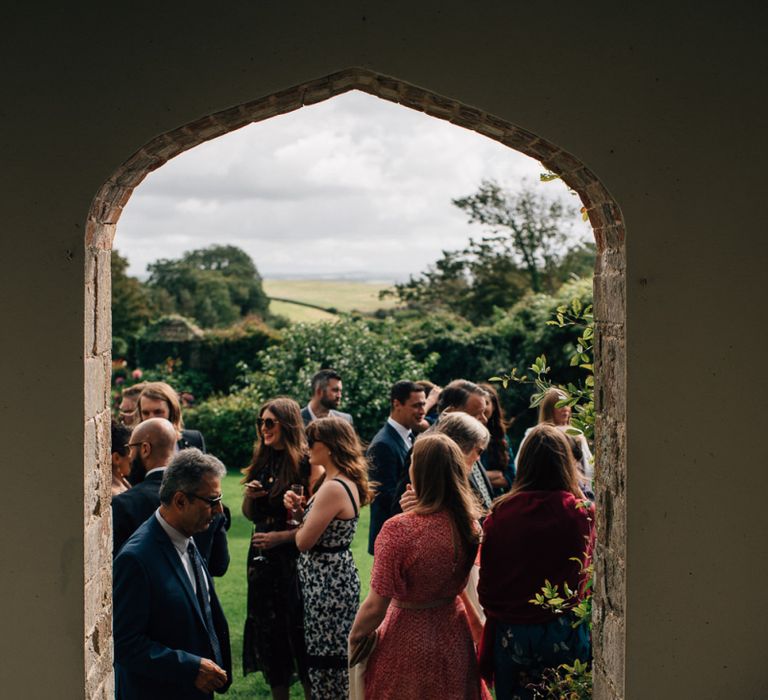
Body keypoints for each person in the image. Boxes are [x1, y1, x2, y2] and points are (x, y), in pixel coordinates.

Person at [349, 433, 490, 700]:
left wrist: (355, 635)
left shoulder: (398, 529)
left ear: (420, 470)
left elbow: (376, 604)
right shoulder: (468, 525)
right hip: (454, 634)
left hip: (406, 639)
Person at [478, 424, 594, 699]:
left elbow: (489, 581)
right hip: (564, 631)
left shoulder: (501, 514)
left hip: (513, 633)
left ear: (526, 464)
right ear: (566, 463)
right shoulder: (581, 513)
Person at [113, 448, 232, 700]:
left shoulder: (187, 536)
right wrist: (190, 667)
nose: (219, 510)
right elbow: (125, 644)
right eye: (212, 501)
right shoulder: (136, 559)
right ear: (180, 501)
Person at [284, 417, 372, 699]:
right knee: (330, 659)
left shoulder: (334, 487)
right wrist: (300, 512)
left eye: (312, 442)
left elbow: (304, 541)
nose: (306, 447)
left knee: (328, 665)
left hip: (328, 585)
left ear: (331, 446)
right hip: (332, 580)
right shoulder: (335, 480)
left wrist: (298, 525)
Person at [241, 397, 320, 700]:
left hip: (292, 558)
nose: (264, 428)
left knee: (297, 630)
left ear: (286, 424)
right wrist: (250, 496)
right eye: (261, 422)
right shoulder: (262, 459)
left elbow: (312, 520)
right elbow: (250, 514)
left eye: (270, 422)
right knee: (269, 631)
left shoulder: (303, 463)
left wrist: (280, 539)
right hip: (261, 561)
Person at [112, 418, 230, 575]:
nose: (130, 456)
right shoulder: (208, 497)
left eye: (131, 449)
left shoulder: (124, 504)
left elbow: (117, 570)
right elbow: (219, 565)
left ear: (145, 449)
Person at [366, 380, 426, 554]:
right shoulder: (383, 444)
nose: (422, 411)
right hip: (391, 538)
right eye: (416, 405)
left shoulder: (411, 435)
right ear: (396, 404)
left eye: (423, 404)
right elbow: (385, 496)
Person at [518, 387, 594, 497]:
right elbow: (523, 466)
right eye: (560, 405)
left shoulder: (576, 433)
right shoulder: (536, 434)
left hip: (579, 490)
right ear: (549, 409)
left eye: (567, 404)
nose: (566, 409)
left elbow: (588, 466)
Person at [137, 381, 206, 453]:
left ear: (172, 411)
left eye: (158, 412)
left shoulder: (193, 440)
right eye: (145, 413)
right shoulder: (134, 446)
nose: (151, 418)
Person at [478, 382, 516, 497]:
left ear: (494, 406)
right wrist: (495, 475)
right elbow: (463, 478)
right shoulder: (464, 436)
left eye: (486, 403)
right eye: (478, 403)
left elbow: (510, 477)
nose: (482, 407)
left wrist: (479, 477)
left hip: (496, 502)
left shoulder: (501, 438)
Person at [111, 420, 133, 496]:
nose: (134, 456)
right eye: (131, 450)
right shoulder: (115, 494)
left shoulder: (122, 480)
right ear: (116, 458)